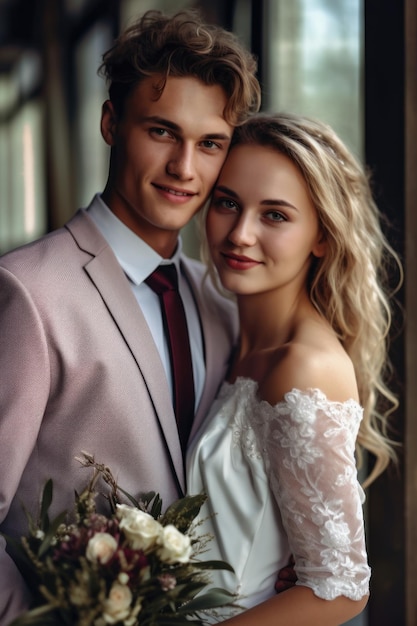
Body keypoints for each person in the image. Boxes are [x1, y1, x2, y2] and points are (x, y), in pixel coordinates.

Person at [0, 10, 261, 624]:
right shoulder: (26, 292)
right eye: (163, 132)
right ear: (111, 123)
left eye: (211, 144)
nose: (185, 169)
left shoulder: (222, 301)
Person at [187, 112, 401, 624]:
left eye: (275, 215)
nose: (240, 234)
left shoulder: (305, 368)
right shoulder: (224, 327)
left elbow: (342, 587)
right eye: (228, 204)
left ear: (322, 237)